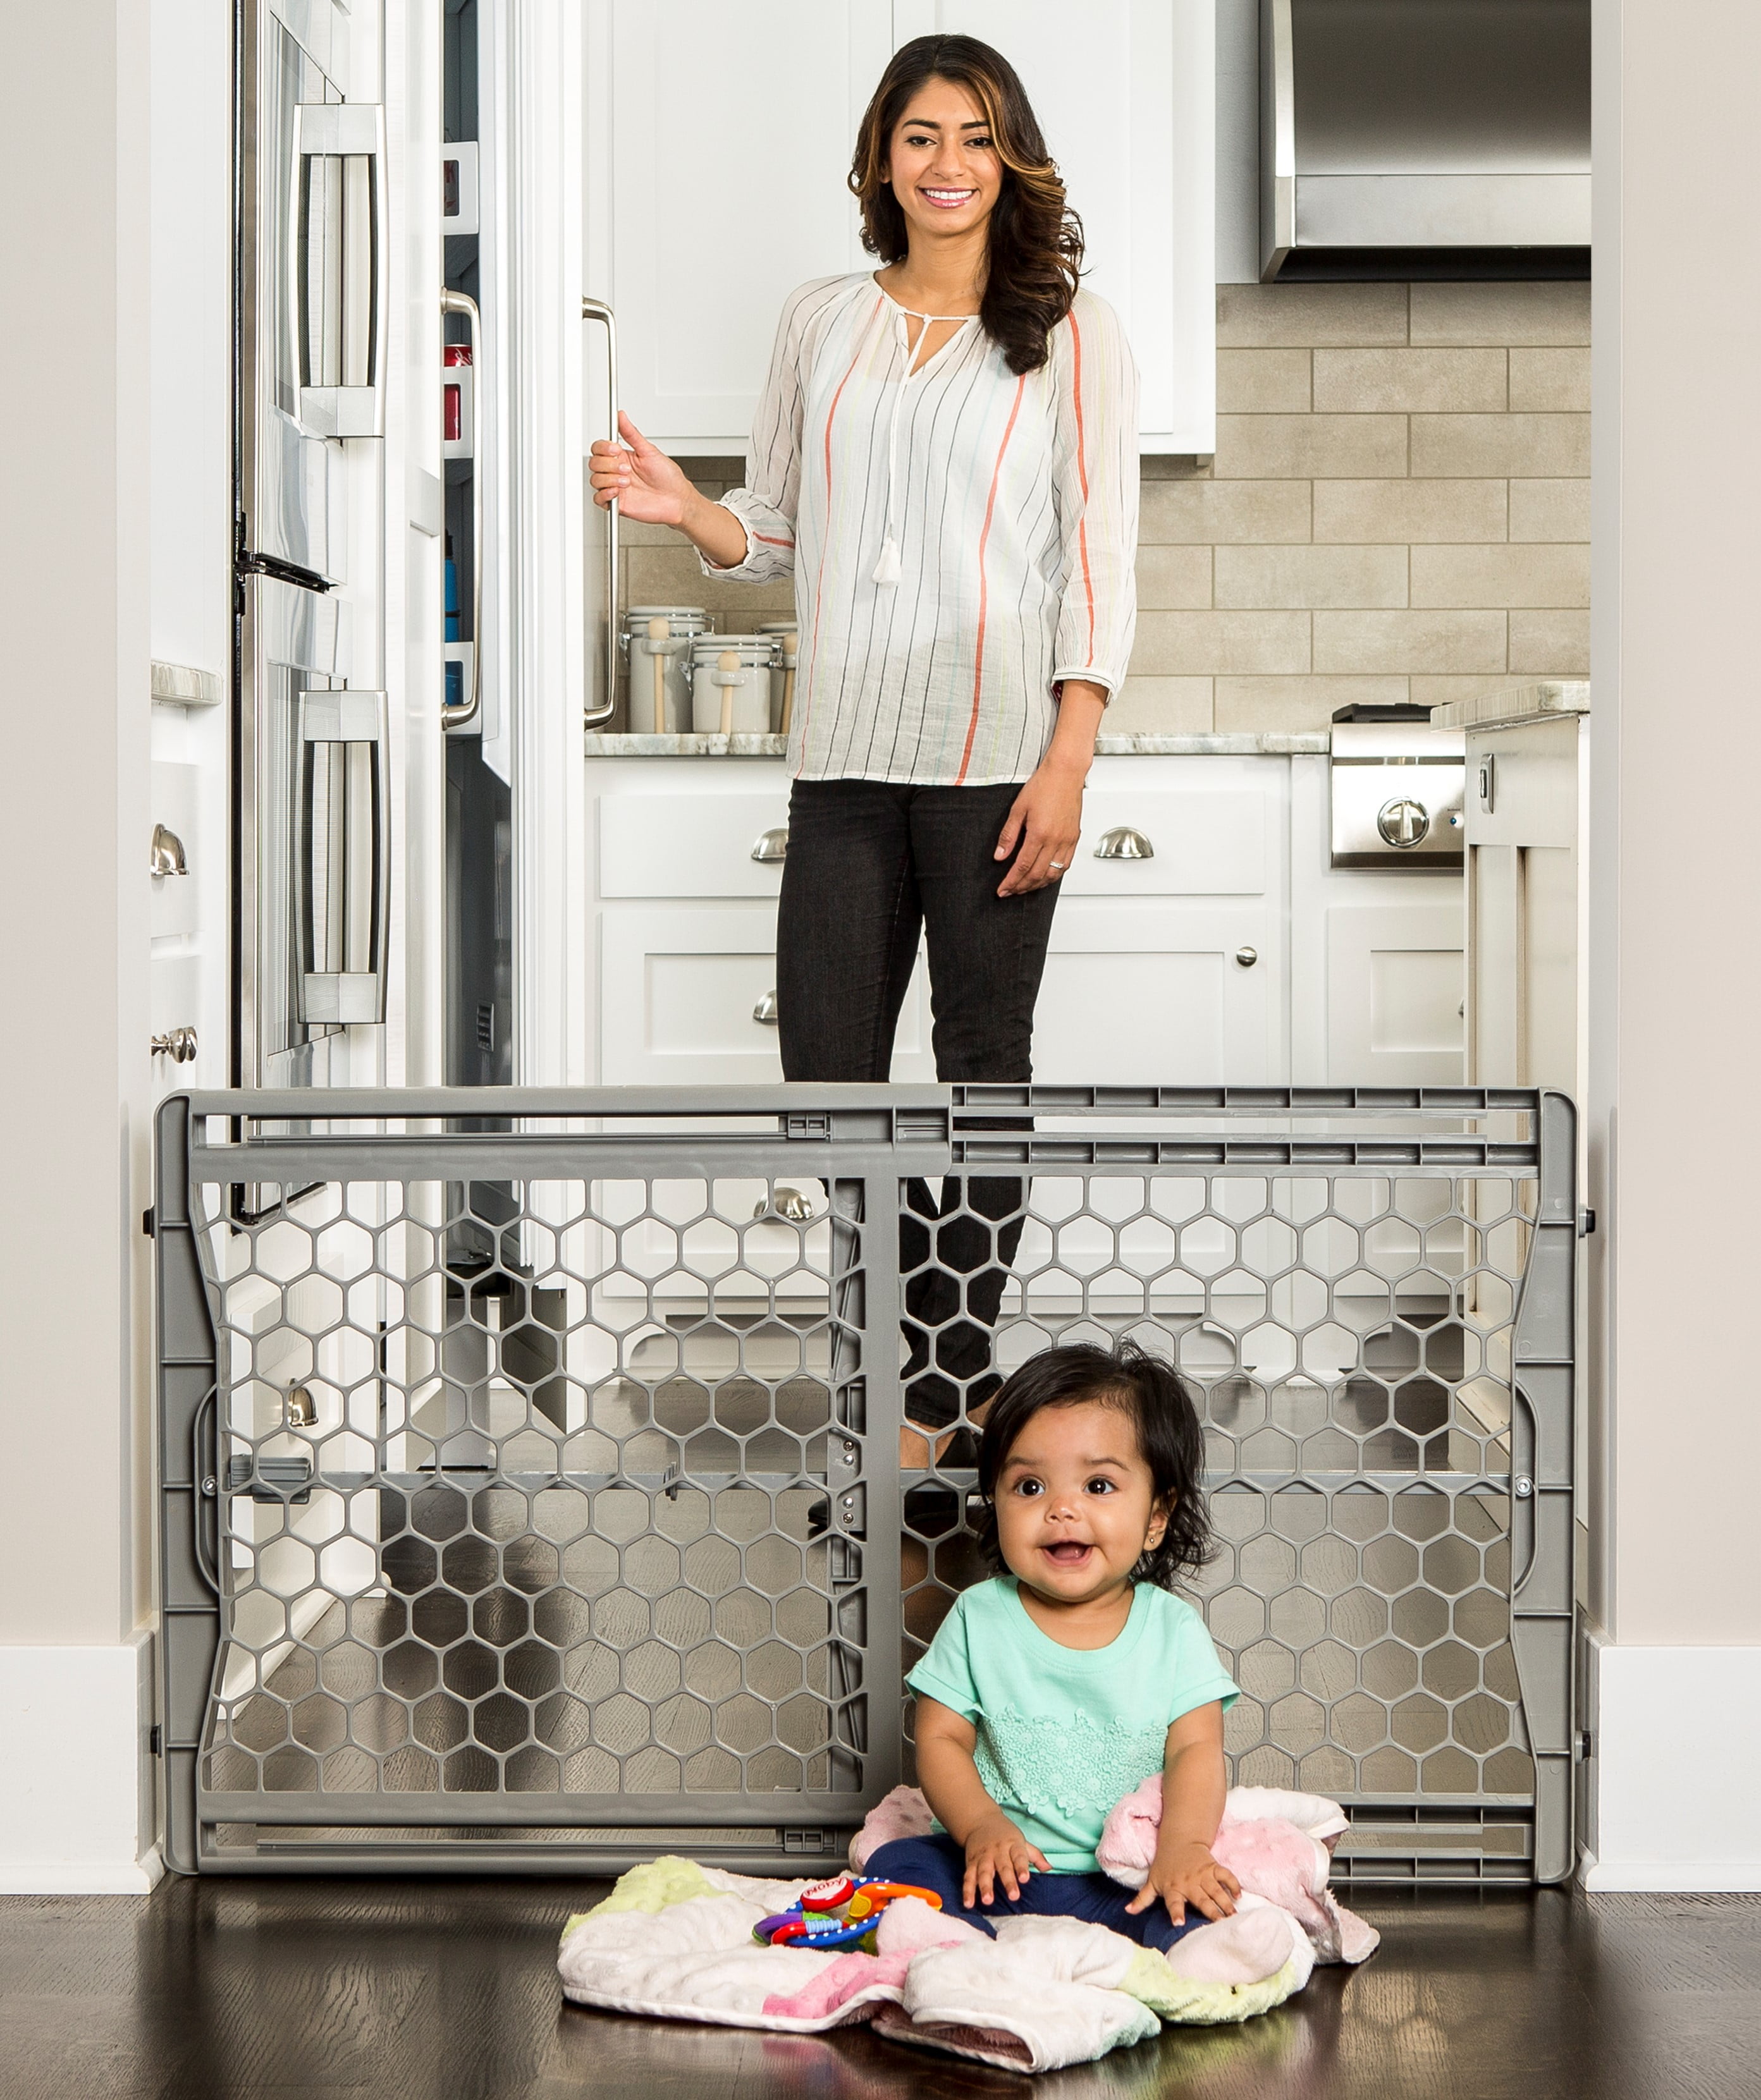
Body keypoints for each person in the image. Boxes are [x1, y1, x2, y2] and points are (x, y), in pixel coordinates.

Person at [589, 34, 1139, 1440]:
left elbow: (1096, 557)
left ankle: (928, 1402)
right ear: (880, 159)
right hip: (840, 756)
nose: (946, 165)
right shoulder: (819, 320)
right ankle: (932, 1374)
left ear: (1009, 157)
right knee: (829, 1081)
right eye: (920, 137)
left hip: (996, 755)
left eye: (973, 136)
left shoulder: (1070, 333)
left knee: (981, 1079)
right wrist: (683, 506)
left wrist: (1069, 759)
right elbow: (773, 527)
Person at [862, 1341, 1239, 1955]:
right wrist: (981, 1826)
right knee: (897, 1867)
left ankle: (1178, 1958)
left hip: (1121, 1880)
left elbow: (1198, 1751)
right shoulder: (978, 1617)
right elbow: (939, 1738)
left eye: (1098, 1484)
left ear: (1155, 1517)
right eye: (1030, 1485)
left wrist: (1183, 1849)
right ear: (993, 1501)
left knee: (1199, 1910)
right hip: (995, 1869)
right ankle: (963, 1954)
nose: (1062, 1509)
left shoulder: (1171, 1630)